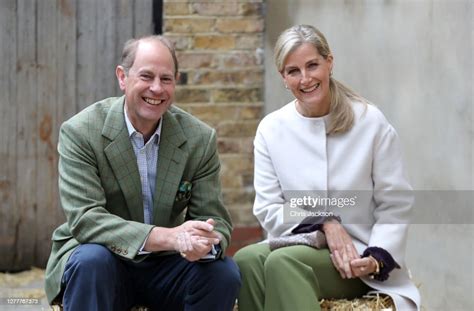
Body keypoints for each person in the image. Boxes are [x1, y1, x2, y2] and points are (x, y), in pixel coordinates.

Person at [44, 35, 241, 311]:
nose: (157, 88)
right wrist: (170, 236)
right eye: (146, 76)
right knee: (91, 261)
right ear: (123, 77)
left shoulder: (199, 138)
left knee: (223, 273)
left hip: (166, 265)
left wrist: (203, 242)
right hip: (105, 259)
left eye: (166, 79)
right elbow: (86, 219)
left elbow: (215, 218)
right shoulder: (81, 132)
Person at [234, 25, 420, 311]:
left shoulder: (370, 122)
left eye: (312, 65)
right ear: (283, 77)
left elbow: (395, 202)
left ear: (329, 62)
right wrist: (323, 221)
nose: (305, 78)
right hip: (300, 241)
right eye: (293, 71)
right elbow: (269, 209)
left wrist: (376, 258)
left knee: (284, 263)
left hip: (359, 256)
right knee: (245, 261)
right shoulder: (271, 130)